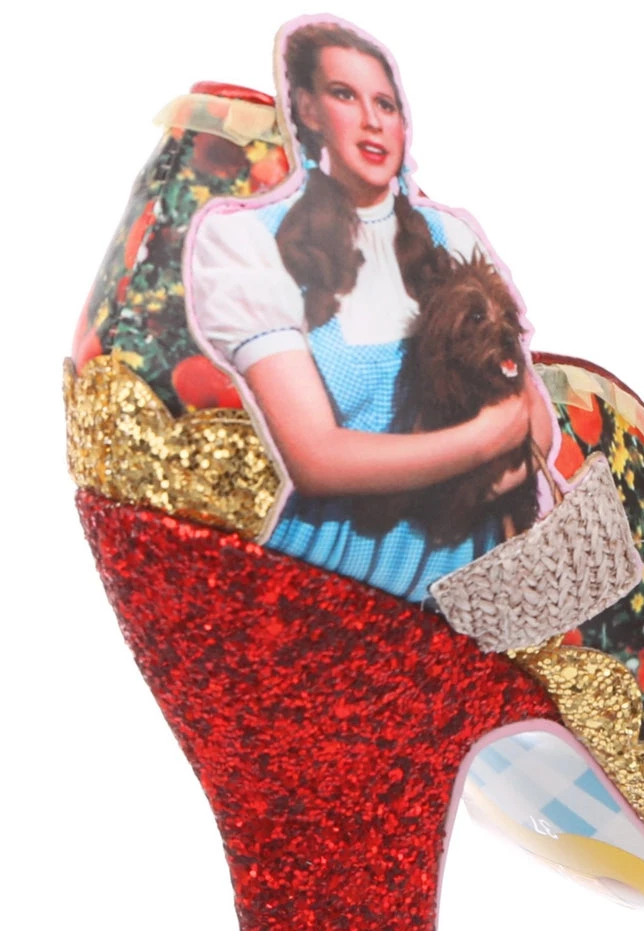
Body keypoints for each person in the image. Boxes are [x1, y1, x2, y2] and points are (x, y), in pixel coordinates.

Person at [188, 19, 557, 603]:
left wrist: (492, 477)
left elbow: (530, 415)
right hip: (325, 586)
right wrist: (483, 443)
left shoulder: (452, 235)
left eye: (385, 104)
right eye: (345, 95)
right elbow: (315, 458)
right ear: (307, 109)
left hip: (477, 592)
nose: (372, 121)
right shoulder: (248, 241)